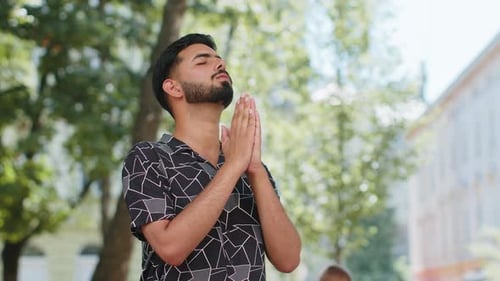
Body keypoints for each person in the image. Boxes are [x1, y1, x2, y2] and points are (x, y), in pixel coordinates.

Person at [122, 33, 301, 281]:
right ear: (173, 87)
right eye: (202, 61)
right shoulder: (148, 158)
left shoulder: (251, 168)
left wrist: (255, 170)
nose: (220, 64)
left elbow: (289, 259)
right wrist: (233, 167)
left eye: (220, 60)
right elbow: (170, 248)